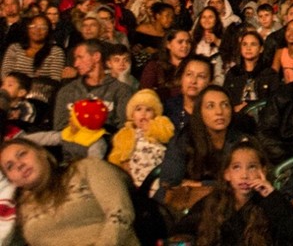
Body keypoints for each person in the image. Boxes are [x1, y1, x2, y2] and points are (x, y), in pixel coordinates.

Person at [172, 138, 293, 246]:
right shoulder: (212, 203)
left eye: (252, 167)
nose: (244, 175)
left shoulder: (272, 204)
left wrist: (272, 196)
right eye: (237, 167)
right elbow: (180, 234)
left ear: (263, 171)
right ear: (227, 173)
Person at [0, 138, 139, 245]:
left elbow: (121, 213)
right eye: (10, 166)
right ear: (11, 181)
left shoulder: (86, 168)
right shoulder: (19, 208)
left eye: (22, 154)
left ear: (41, 153)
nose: (19, 164)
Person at [158, 85, 248, 212]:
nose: (219, 112)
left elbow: (246, 182)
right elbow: (168, 183)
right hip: (187, 207)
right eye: (211, 106)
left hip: (230, 206)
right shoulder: (184, 140)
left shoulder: (241, 141)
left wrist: (202, 185)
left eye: (225, 105)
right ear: (199, 112)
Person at [53, 39, 132, 133]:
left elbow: (123, 129)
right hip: (70, 142)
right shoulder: (68, 90)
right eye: (75, 58)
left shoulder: (121, 90)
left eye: (80, 57)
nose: (75, 64)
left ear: (96, 57)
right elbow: (59, 127)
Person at [108, 88, 175, 189]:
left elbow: (167, 135)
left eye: (148, 110)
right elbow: (116, 155)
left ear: (155, 114)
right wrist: (122, 164)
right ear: (132, 115)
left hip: (156, 173)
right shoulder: (126, 133)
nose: (143, 114)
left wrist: (152, 128)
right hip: (133, 175)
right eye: (138, 109)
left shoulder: (160, 124)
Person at [139, 28, 192, 101]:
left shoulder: (193, 66)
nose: (185, 45)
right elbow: (145, 93)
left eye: (188, 42)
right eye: (180, 42)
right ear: (168, 44)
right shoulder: (154, 66)